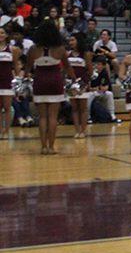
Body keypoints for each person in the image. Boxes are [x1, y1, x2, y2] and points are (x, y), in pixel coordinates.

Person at [27, 19, 74, 154]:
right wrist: (75, 79)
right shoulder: (60, 49)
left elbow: (28, 68)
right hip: (55, 81)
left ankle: (43, 147)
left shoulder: (33, 49)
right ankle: (51, 147)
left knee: (42, 117)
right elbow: (68, 67)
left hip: (40, 82)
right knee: (53, 117)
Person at [66, 33, 93, 139]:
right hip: (71, 84)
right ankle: (77, 130)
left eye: (73, 40)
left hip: (82, 83)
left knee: (83, 108)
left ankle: (83, 130)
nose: (70, 42)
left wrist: (85, 83)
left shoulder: (85, 54)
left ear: (78, 41)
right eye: (70, 40)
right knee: (74, 108)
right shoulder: (68, 54)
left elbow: (90, 70)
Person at [0, 25, 22, 137]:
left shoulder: (12, 49)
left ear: (6, 35)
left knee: (7, 107)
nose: (0, 35)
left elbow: (16, 66)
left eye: (2, 33)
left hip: (7, 81)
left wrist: (18, 79)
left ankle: (6, 131)